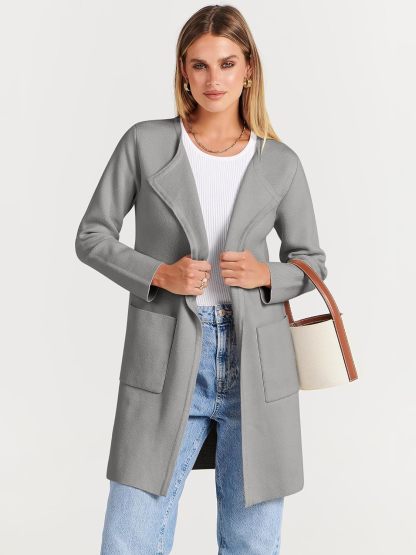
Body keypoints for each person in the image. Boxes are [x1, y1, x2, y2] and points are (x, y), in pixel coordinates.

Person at [75, 5, 328, 554]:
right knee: (129, 537)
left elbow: (311, 262)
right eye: (200, 65)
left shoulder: (280, 162)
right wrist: (159, 273)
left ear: (249, 69)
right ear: (183, 71)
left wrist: (266, 274)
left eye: (227, 63)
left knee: (251, 542)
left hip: (256, 359)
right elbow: (92, 236)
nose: (214, 79)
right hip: (167, 353)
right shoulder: (145, 143)